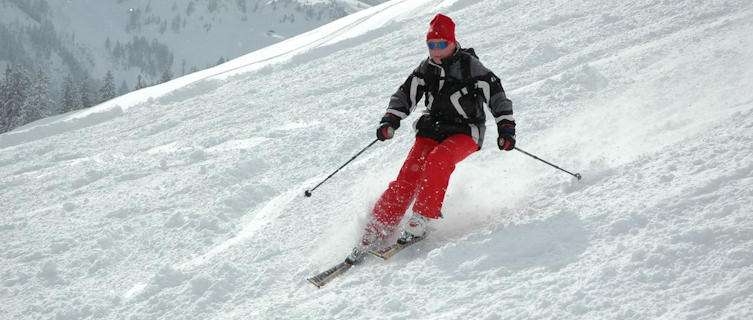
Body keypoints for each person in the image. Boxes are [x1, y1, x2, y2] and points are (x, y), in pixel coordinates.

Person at [346, 13, 516, 264]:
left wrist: (506, 129)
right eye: (431, 45)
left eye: (440, 44)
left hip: (466, 132)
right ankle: (377, 228)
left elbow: (497, 96)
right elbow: (405, 94)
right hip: (433, 129)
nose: (435, 50)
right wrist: (390, 120)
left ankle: (421, 220)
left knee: (438, 161)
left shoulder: (471, 67)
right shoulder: (427, 69)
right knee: (408, 176)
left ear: (452, 42)